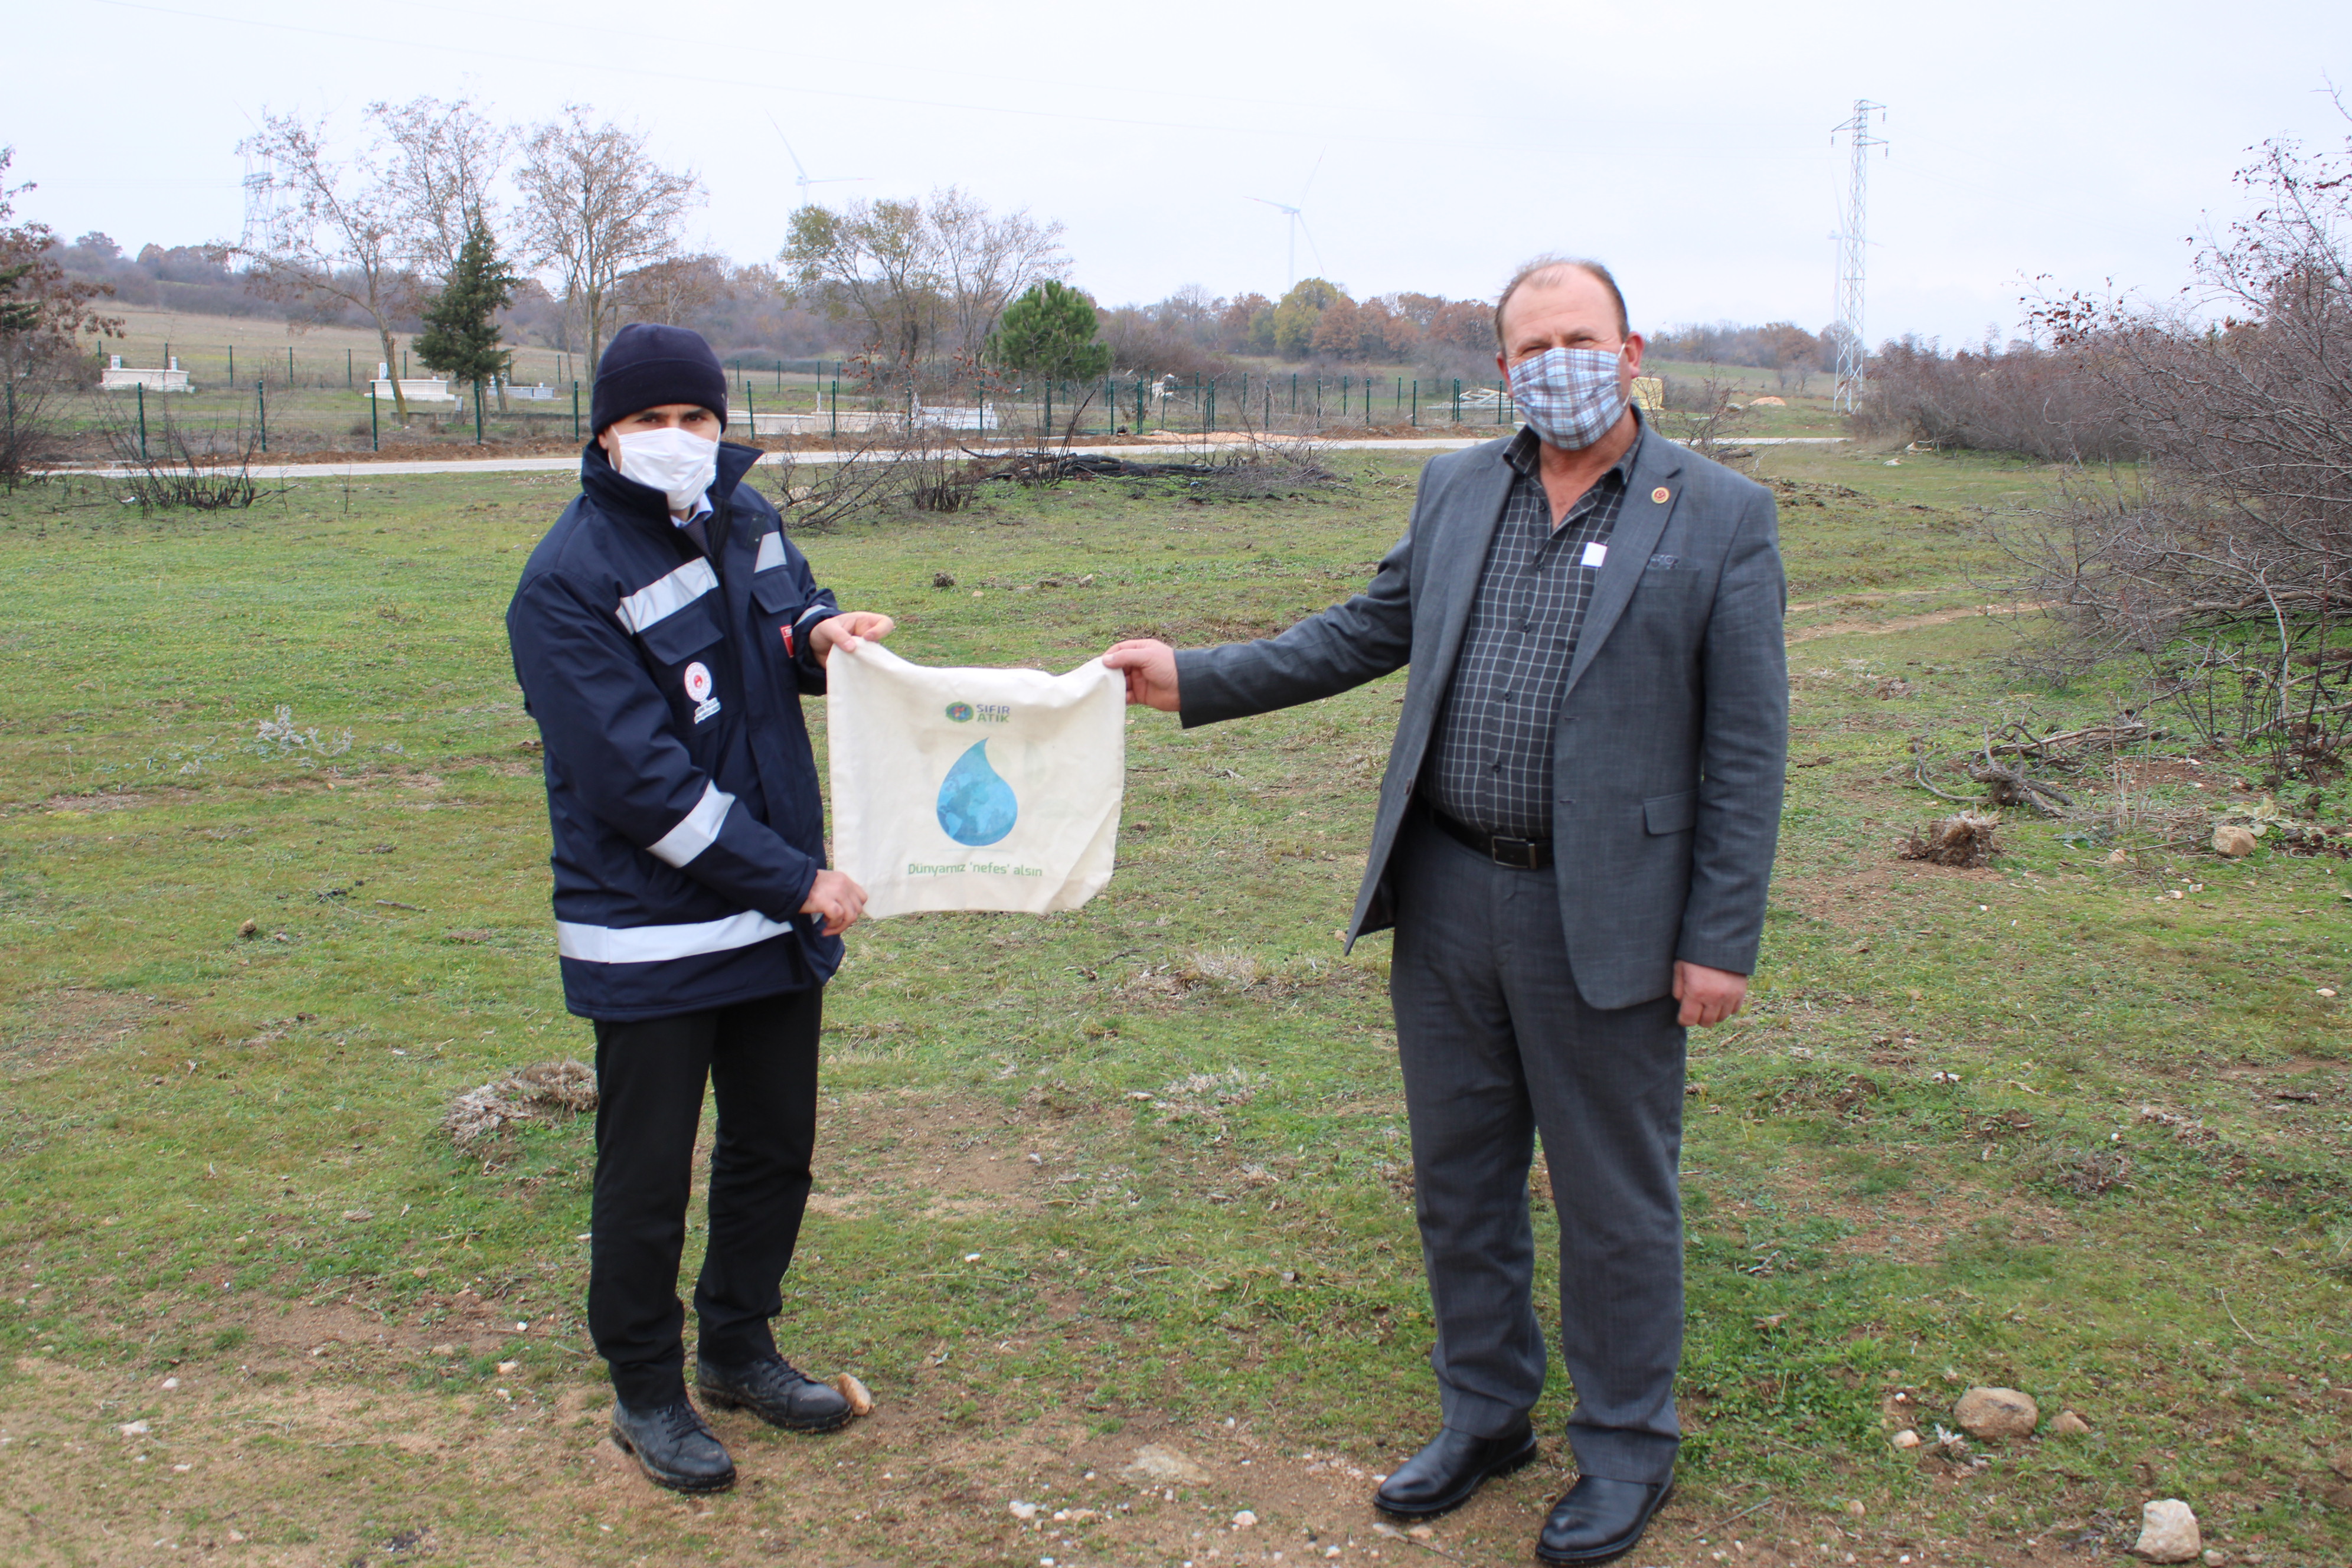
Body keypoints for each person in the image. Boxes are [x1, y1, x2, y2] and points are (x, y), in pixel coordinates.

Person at [1105, 259, 1785, 1566]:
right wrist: (1192, 675)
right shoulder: (1461, 484)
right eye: (1534, 346)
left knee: (1615, 1200)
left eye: (1582, 337)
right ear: (1503, 369)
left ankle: (1628, 1447)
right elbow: (1364, 631)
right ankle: (1486, 1414)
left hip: (1617, 919)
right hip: (1452, 892)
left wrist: (1720, 936)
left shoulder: (1723, 513)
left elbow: (1748, 750)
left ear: (1632, 349)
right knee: (1461, 1182)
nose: (1559, 362)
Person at [506, 324, 896, 1495]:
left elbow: (777, 625)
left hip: (773, 920)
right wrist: (798, 879)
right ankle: (646, 1388)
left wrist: (821, 636)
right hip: (655, 935)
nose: (679, 442)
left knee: (773, 1145)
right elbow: (642, 788)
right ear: (604, 431)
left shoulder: (747, 515)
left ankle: (738, 1345)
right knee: (648, 1171)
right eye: (652, 422)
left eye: (697, 419)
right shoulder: (566, 581)